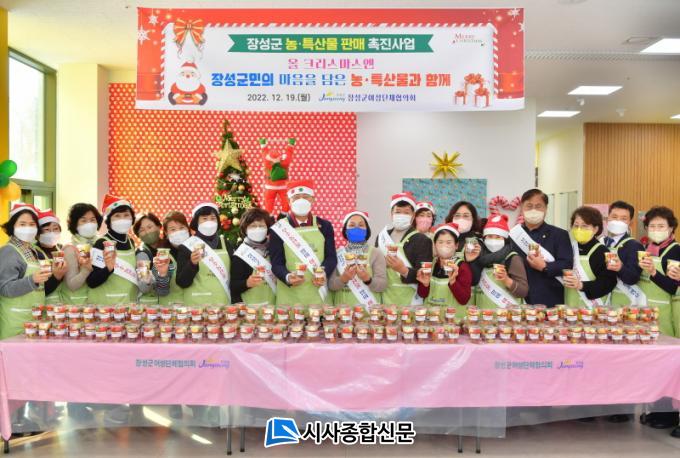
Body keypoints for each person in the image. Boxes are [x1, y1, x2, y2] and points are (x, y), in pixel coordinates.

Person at [638, 207, 680, 434]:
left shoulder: (676, 251)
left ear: (671, 228)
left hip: (667, 315)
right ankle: (654, 409)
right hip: (647, 313)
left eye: (661, 226)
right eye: (652, 226)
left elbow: (673, 287)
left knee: (667, 365)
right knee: (651, 365)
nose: (656, 230)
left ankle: (668, 413)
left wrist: (654, 272)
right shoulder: (646, 249)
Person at [269, 180, 337, 306]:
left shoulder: (325, 226)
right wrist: (287, 277)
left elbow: (331, 257)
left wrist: (323, 272)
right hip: (290, 297)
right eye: (296, 197)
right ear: (289, 201)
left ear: (313, 200)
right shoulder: (278, 228)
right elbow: (276, 263)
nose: (301, 201)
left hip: (319, 293)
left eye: (305, 197)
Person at [509, 189, 573, 307]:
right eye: (529, 206)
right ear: (522, 208)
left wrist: (545, 266)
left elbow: (567, 264)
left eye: (538, 206)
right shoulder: (513, 235)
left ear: (546, 209)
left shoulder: (559, 235)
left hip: (550, 300)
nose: (533, 210)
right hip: (517, 300)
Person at [375, 192, 433, 306]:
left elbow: (424, 275)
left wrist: (403, 270)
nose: (401, 215)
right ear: (391, 214)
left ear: (413, 216)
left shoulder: (422, 240)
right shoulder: (382, 237)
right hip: (384, 298)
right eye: (397, 212)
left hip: (410, 301)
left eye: (406, 212)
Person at [176, 202, 232, 306]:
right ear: (196, 222)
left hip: (222, 304)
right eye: (204, 219)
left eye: (213, 218)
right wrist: (192, 264)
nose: (209, 222)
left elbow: (233, 276)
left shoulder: (225, 243)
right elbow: (182, 282)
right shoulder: (187, 246)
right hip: (197, 306)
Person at [86, 194, 139, 305]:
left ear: (132, 218)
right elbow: (91, 282)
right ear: (109, 220)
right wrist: (108, 269)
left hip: (128, 304)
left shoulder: (131, 242)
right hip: (107, 306)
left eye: (126, 215)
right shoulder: (102, 243)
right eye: (117, 216)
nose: (122, 219)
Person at [467, 214, 528, 309]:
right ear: (484, 238)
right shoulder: (479, 256)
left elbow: (523, 291)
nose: (493, 240)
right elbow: (472, 282)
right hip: (483, 315)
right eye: (490, 236)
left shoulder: (512, 258)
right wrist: (470, 261)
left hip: (507, 315)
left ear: (505, 239)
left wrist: (506, 280)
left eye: (498, 237)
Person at [329, 211, 387, 306]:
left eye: (361, 225)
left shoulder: (376, 253)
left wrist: (367, 279)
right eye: (352, 225)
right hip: (342, 310)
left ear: (367, 230)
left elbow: (382, 285)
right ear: (345, 231)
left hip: (369, 310)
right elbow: (331, 285)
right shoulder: (337, 253)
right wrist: (344, 278)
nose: (356, 228)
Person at [563, 206, 617, 307]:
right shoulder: (569, 247)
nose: (579, 229)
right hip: (570, 305)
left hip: (594, 308)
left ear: (595, 229)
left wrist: (581, 285)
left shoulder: (605, 251)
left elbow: (609, 282)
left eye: (584, 226)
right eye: (576, 226)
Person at [416, 223, 472, 319]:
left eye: (448, 242)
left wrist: (453, 282)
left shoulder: (462, 267)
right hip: (431, 321)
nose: (444, 246)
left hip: (452, 323)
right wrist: (425, 284)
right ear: (435, 245)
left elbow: (464, 300)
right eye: (440, 242)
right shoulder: (430, 265)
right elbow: (422, 294)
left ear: (456, 245)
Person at [602, 201, 645, 308]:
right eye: (614, 217)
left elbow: (633, 278)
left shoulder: (634, 246)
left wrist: (620, 268)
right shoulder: (601, 242)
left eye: (623, 219)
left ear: (630, 222)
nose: (618, 221)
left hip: (623, 303)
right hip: (601, 301)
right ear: (608, 218)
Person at [231, 207, 276, 305]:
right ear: (245, 229)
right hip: (250, 308)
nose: (258, 229)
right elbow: (233, 286)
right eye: (253, 226)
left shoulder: (274, 249)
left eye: (261, 226)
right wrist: (246, 283)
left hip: (274, 307)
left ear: (267, 228)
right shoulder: (241, 253)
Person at [62, 203, 102, 305]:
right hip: (77, 306)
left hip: (98, 304)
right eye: (83, 220)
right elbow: (72, 285)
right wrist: (86, 270)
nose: (89, 224)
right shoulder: (70, 249)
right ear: (75, 224)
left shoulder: (100, 245)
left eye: (92, 220)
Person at [35, 209, 69, 305]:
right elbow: (38, 289)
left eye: (55, 229)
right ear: (37, 234)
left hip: (62, 305)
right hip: (43, 306)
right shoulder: (34, 252)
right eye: (47, 230)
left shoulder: (62, 249)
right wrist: (57, 276)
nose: (52, 233)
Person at [157, 211, 191, 306]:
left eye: (182, 228)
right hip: (170, 310)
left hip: (194, 308)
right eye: (173, 229)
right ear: (166, 233)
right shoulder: (162, 255)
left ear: (188, 229)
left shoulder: (196, 250)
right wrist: (162, 275)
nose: (178, 232)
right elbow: (161, 291)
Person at [133, 213, 165, 305]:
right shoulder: (142, 254)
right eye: (142, 230)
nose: (147, 232)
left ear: (159, 226)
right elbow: (143, 287)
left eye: (150, 227)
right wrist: (147, 279)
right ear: (138, 235)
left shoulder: (168, 247)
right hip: (150, 305)